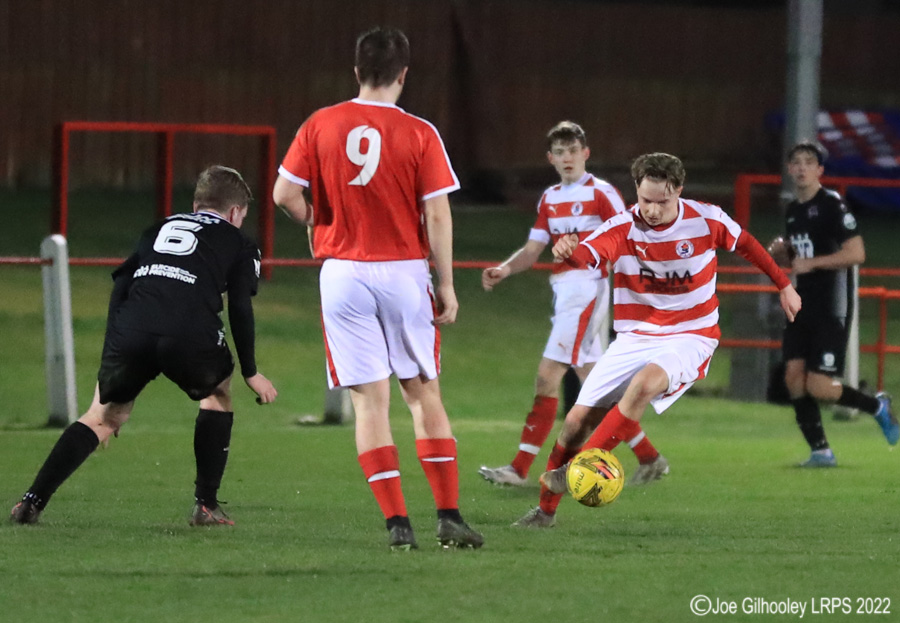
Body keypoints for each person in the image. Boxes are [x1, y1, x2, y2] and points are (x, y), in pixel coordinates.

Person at [273, 26, 483, 551]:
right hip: (403, 272)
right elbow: (436, 212)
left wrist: (314, 220)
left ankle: (397, 526)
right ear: (404, 74)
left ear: (356, 71)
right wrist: (448, 283)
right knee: (422, 394)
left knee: (369, 403)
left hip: (342, 273)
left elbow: (282, 194)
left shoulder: (321, 123)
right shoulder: (419, 133)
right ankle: (449, 517)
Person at [513, 152, 802, 527]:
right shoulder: (622, 227)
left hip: (691, 334)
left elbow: (746, 244)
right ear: (637, 191)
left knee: (645, 383)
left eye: (662, 202)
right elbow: (588, 255)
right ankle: (544, 513)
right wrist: (567, 252)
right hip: (635, 337)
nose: (651, 209)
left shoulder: (706, 219)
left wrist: (783, 285)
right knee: (574, 423)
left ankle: (574, 471)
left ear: (679, 191)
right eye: (645, 200)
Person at [10, 165, 278, 526]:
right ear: (234, 212)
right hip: (188, 330)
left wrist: (111, 362)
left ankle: (31, 501)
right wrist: (251, 371)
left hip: (132, 324)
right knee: (217, 392)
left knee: (103, 415)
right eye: (242, 216)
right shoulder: (240, 241)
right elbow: (241, 305)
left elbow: (121, 286)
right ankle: (205, 506)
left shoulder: (160, 227)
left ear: (197, 204)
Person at [478, 121, 668, 488]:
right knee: (598, 388)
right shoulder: (550, 198)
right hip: (566, 292)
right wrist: (505, 268)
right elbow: (533, 250)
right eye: (560, 153)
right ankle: (649, 457)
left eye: (573, 150)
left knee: (547, 377)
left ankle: (519, 469)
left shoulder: (601, 192)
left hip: (586, 290)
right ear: (550, 158)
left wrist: (588, 252)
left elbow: (626, 234)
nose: (567, 158)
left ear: (586, 153)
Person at [769, 141, 898, 467]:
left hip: (831, 305)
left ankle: (877, 407)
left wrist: (811, 264)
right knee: (793, 378)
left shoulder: (831, 205)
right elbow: (802, 257)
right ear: (788, 169)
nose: (801, 167)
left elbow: (857, 253)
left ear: (820, 170)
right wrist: (785, 255)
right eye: (795, 161)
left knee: (820, 386)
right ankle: (821, 452)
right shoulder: (794, 210)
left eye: (808, 162)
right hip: (802, 304)